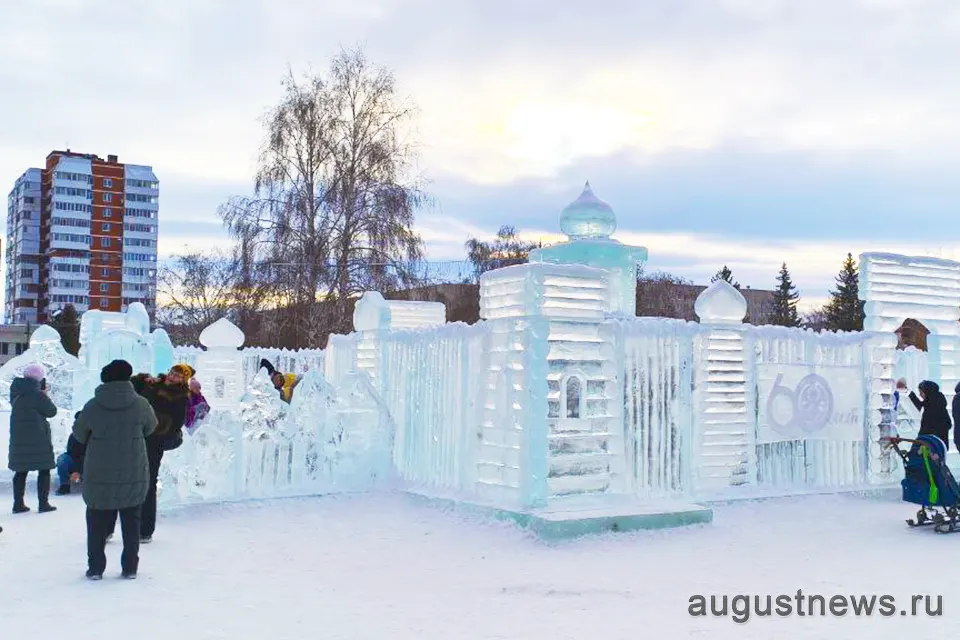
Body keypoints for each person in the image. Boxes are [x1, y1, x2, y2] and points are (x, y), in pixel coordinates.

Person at [73, 359, 156, 580]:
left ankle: (96, 568)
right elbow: (151, 427)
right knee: (131, 522)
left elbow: (79, 434)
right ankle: (130, 568)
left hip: (99, 472)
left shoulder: (93, 405)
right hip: (133, 471)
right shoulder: (141, 404)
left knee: (96, 521)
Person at [131, 364, 190, 543]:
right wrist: (144, 379)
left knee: (149, 481)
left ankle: (146, 529)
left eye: (178, 376)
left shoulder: (180, 396)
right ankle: (130, 519)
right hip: (137, 434)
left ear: (183, 380)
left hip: (155, 440)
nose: (173, 377)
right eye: (172, 373)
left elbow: (178, 422)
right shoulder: (154, 383)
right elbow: (132, 386)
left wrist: (158, 427)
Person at [8, 363, 58, 514]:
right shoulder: (37, 395)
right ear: (39, 378)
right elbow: (52, 412)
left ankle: (18, 504)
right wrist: (44, 395)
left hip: (19, 439)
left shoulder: (16, 393)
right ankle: (43, 504)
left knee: (21, 471)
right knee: (44, 470)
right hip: (39, 439)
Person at [897, 379, 952, 448]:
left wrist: (921, 439)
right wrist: (907, 391)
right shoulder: (934, 401)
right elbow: (919, 405)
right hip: (936, 444)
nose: (920, 395)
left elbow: (928, 427)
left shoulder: (933, 407)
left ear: (928, 392)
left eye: (921, 392)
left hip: (933, 444)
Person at [55, 412, 87, 495]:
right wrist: (76, 470)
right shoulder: (73, 436)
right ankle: (64, 485)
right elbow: (72, 453)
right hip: (76, 461)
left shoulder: (95, 435)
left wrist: (78, 471)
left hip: (90, 463)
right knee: (62, 459)